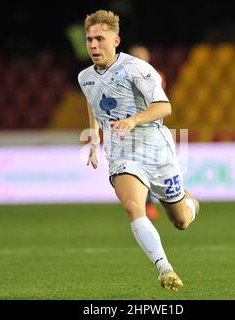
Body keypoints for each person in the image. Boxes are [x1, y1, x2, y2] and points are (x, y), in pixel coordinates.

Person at [78, 10, 199, 292]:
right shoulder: (85, 77)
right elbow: (93, 102)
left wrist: (133, 120)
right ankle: (165, 269)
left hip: (156, 151)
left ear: (116, 40)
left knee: (180, 221)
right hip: (122, 153)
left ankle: (190, 203)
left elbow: (164, 107)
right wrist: (95, 141)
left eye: (100, 39)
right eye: (89, 40)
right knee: (133, 207)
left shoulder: (137, 68)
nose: (93, 45)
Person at [128, 45, 166, 221]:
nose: (139, 60)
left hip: (150, 129)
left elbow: (159, 101)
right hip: (131, 130)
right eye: (136, 56)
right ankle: (146, 205)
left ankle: (174, 200)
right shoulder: (123, 74)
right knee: (137, 167)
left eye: (142, 56)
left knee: (152, 167)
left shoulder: (155, 75)